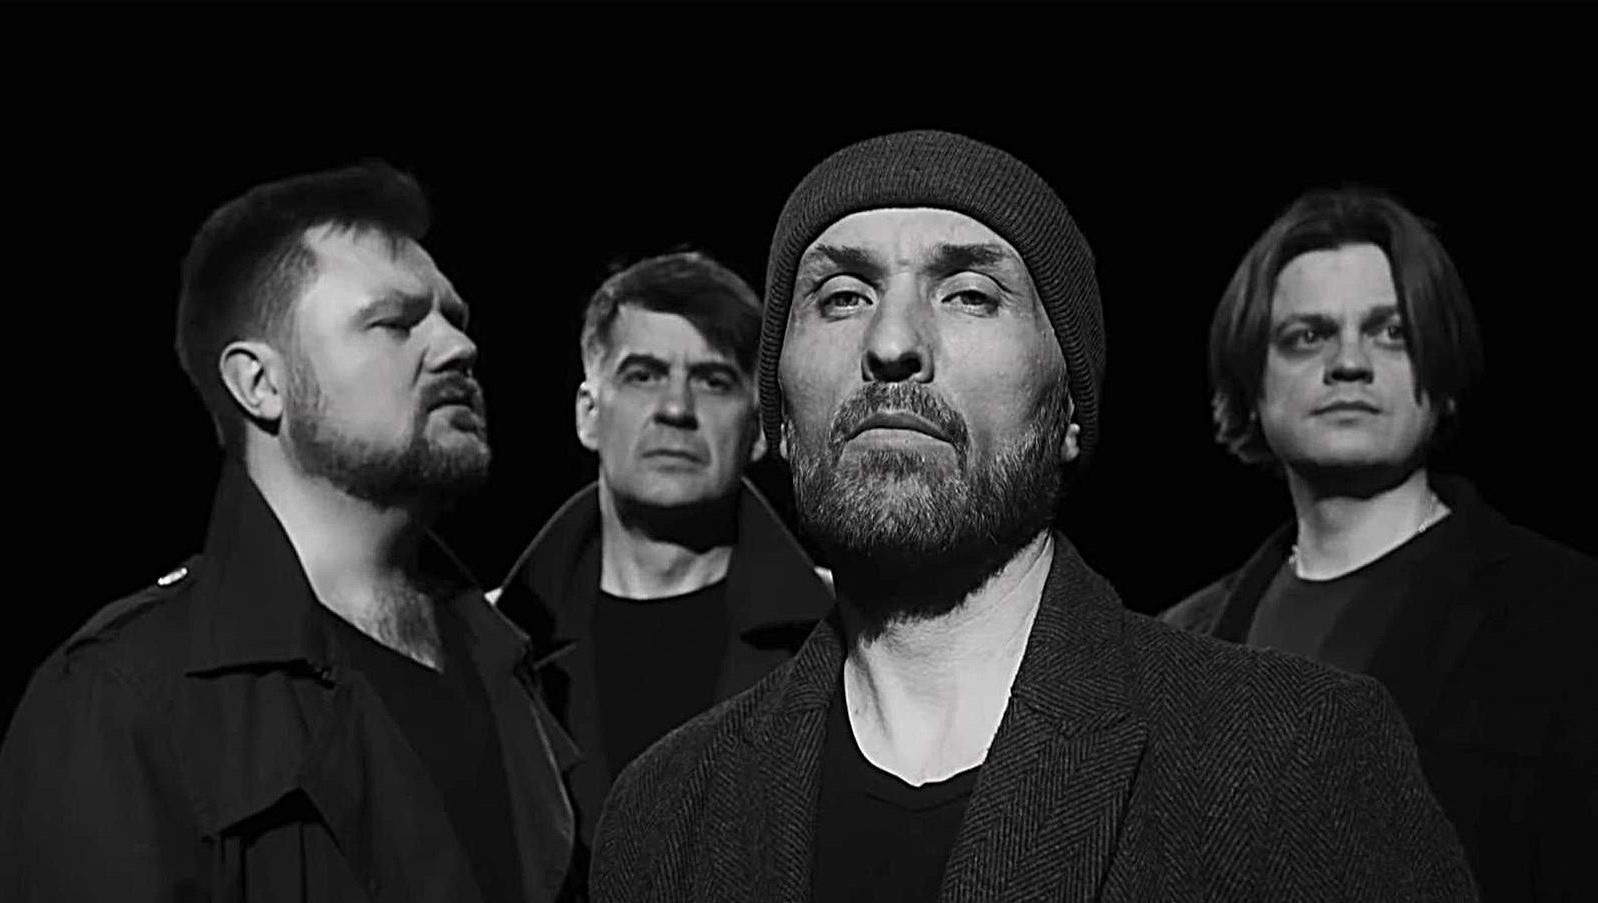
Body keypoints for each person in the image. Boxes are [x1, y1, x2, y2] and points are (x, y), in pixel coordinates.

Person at [587, 130, 1477, 902]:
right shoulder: (664, 813)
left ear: (1070, 407)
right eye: (842, 296)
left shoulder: (1297, 759)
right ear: (777, 413)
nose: (891, 343)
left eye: (969, 293)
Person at [0, 163, 579, 901]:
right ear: (260, 384)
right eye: (395, 323)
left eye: (454, 320)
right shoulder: (122, 700)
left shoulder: (513, 661)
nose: (457, 348)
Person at [1160, 187, 1598, 901]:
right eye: (1307, 336)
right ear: (1251, 386)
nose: (1349, 363)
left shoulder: (1565, 615)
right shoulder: (1180, 642)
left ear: (1441, 369)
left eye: (1391, 332)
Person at [490, 251, 833, 878]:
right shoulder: (490, 643)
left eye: (713, 380)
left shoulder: (846, 638)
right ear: (589, 414)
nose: (676, 407)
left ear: (760, 430)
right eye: (644, 375)